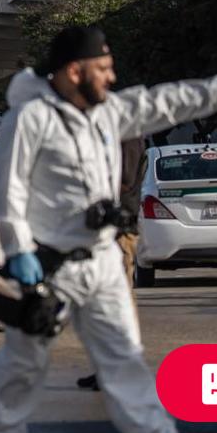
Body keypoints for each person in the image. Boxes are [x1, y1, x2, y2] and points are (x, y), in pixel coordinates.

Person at [0, 25, 217, 433]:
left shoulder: (105, 112)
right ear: (75, 71)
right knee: (22, 364)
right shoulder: (30, 118)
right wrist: (18, 250)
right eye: (104, 68)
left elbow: (159, 102)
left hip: (103, 260)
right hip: (49, 267)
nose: (111, 78)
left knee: (125, 359)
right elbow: (4, 190)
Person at [76, 137, 144, 392]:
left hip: (120, 229)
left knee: (120, 301)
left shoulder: (129, 138)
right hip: (107, 229)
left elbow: (123, 182)